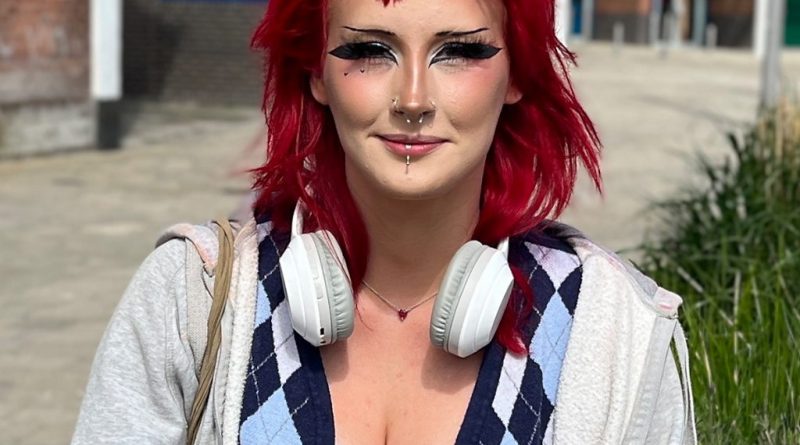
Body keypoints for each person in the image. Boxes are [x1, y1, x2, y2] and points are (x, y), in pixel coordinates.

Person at [73, 0, 696, 443]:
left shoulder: (613, 330)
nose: (414, 99)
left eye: (460, 51)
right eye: (370, 50)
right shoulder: (189, 299)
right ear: (315, 72)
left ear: (516, 77)